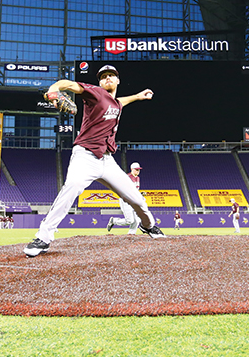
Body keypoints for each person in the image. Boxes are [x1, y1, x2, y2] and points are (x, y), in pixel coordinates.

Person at [24, 64, 165, 257]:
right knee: (70, 189)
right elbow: (70, 85)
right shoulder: (96, 93)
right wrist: (54, 89)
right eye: (103, 76)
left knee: (137, 200)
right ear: (99, 82)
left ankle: (148, 226)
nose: (107, 78)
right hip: (85, 156)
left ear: (118, 80)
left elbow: (119, 102)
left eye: (111, 75)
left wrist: (138, 96)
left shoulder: (114, 103)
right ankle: (43, 238)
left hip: (107, 161)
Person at [107, 162, 144, 235]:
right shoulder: (127, 177)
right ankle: (113, 221)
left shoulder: (138, 178)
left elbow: (135, 191)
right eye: (136, 169)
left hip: (133, 201)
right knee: (130, 221)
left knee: (136, 220)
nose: (138, 171)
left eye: (139, 170)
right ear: (131, 169)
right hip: (125, 200)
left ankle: (131, 235)